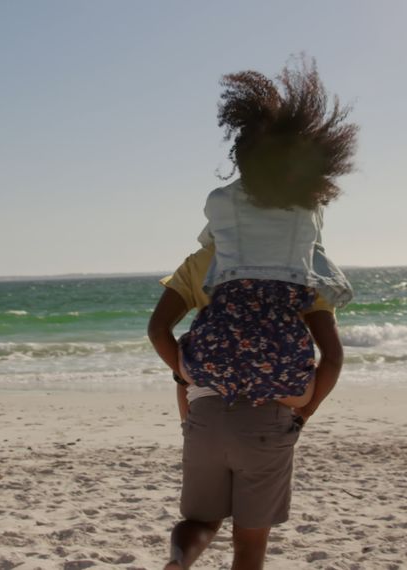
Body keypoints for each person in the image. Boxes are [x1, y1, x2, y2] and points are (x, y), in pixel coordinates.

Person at [148, 56, 357, 569]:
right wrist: (303, 412)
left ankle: (180, 558)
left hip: (204, 413)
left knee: (200, 521)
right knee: (250, 544)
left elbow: (157, 329)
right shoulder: (305, 269)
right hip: (272, 416)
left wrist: (187, 374)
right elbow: (332, 358)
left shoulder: (205, 262)